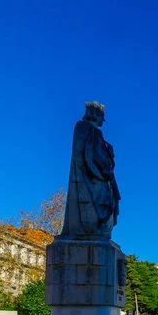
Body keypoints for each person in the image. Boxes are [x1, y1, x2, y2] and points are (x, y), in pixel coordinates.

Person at [61, 101, 121, 239]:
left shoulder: (88, 130)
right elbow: (93, 155)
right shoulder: (89, 129)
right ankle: (93, 230)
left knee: (106, 207)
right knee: (101, 206)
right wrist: (106, 168)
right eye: (102, 116)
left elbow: (98, 156)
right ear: (96, 115)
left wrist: (110, 156)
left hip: (96, 176)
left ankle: (97, 230)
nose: (103, 121)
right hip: (94, 178)